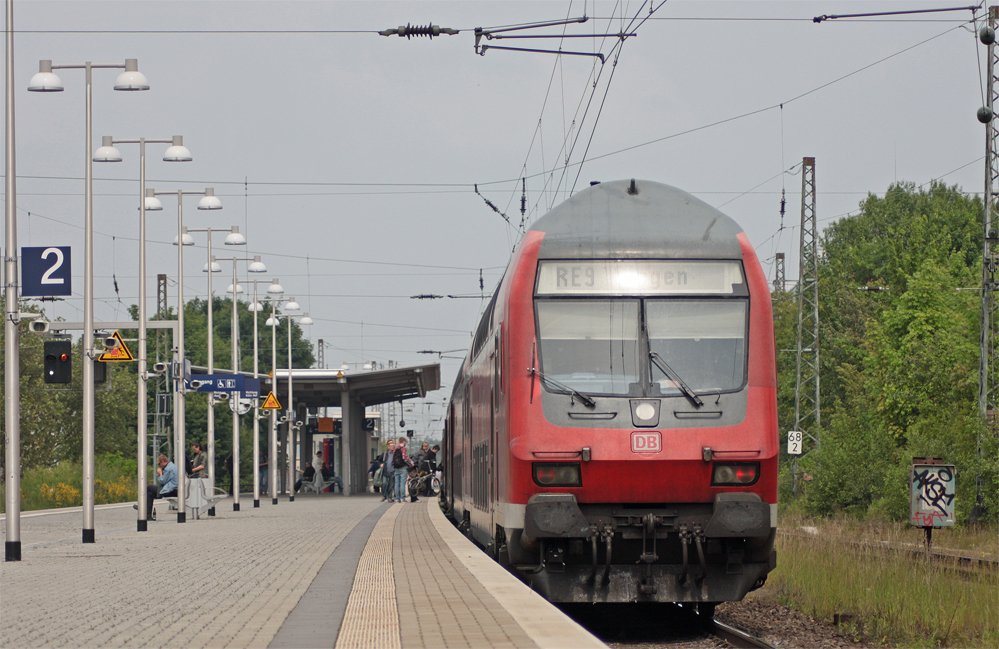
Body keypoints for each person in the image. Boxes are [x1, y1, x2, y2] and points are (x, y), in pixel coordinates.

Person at [140, 454, 177, 520]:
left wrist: (160, 473)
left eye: (159, 464)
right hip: (174, 489)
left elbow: (162, 481)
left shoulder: (168, 469)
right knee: (150, 493)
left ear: (163, 461)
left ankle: (145, 510)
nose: (159, 466)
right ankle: (146, 512)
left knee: (149, 488)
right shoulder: (173, 466)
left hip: (171, 490)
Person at [393, 436, 416, 502]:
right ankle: (402, 498)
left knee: (396, 483)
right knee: (402, 483)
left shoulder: (395, 448)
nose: (406, 443)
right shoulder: (403, 448)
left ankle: (397, 498)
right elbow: (405, 458)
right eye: (405, 442)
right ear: (403, 442)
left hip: (396, 467)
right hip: (403, 467)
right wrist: (411, 463)